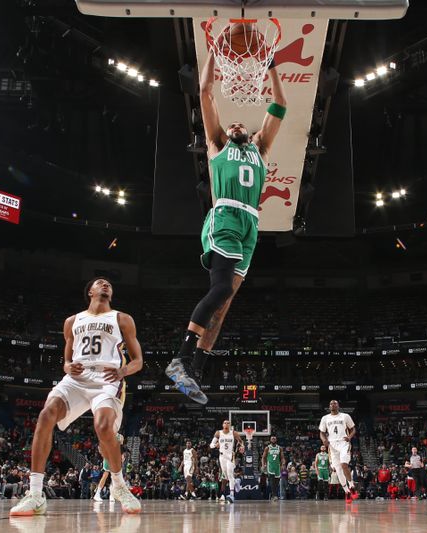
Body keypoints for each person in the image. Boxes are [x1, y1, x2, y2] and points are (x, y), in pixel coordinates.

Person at [165, 46, 288, 405]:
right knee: (219, 290)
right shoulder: (218, 145)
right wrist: (214, 55)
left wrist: (272, 65)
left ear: (248, 134)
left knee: (225, 303)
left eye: (239, 124)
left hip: (251, 226)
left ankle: (195, 370)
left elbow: (279, 104)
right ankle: (180, 358)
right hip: (226, 217)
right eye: (229, 123)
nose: (234, 124)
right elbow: (204, 93)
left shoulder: (260, 149)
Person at [10, 278, 143, 516]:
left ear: (111, 294)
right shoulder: (72, 321)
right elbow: (67, 360)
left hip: (107, 379)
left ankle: (119, 486)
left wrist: (123, 370)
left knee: (103, 427)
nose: (105, 285)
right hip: (77, 380)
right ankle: (35, 493)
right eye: (100, 283)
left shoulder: (122, 319)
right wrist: (67, 366)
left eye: (109, 284)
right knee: (45, 415)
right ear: (90, 291)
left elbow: (138, 361)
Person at [319, 400, 358, 503]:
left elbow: (353, 429)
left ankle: (352, 486)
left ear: (338, 406)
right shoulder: (325, 418)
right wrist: (324, 440)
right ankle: (347, 492)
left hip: (343, 443)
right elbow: (322, 433)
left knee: (344, 464)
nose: (333, 405)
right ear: (329, 406)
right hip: (332, 446)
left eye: (335, 403)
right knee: (338, 470)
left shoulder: (345, 416)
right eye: (331, 403)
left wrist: (349, 437)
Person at [211, 420, 245, 504]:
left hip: (231, 455)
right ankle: (236, 481)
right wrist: (215, 445)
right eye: (225, 423)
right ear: (222, 425)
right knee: (225, 476)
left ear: (230, 425)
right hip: (222, 456)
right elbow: (211, 445)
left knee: (229, 474)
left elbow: (241, 441)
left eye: (228, 423)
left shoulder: (233, 433)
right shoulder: (218, 433)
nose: (226, 424)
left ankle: (232, 495)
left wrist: (242, 447)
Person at [94, 434, 123, 501]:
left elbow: (120, 447)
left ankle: (112, 495)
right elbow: (100, 446)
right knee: (105, 475)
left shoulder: (120, 436)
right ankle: (97, 494)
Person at [261, 436, 285, 501]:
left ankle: (274, 495)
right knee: (272, 480)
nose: (273, 439)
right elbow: (263, 457)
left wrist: (283, 464)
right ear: (270, 440)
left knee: (277, 482)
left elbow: (282, 457)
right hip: (270, 465)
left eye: (274, 438)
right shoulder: (267, 448)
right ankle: (274, 495)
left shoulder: (279, 448)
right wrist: (263, 465)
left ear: (276, 440)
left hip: (277, 466)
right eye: (272, 438)